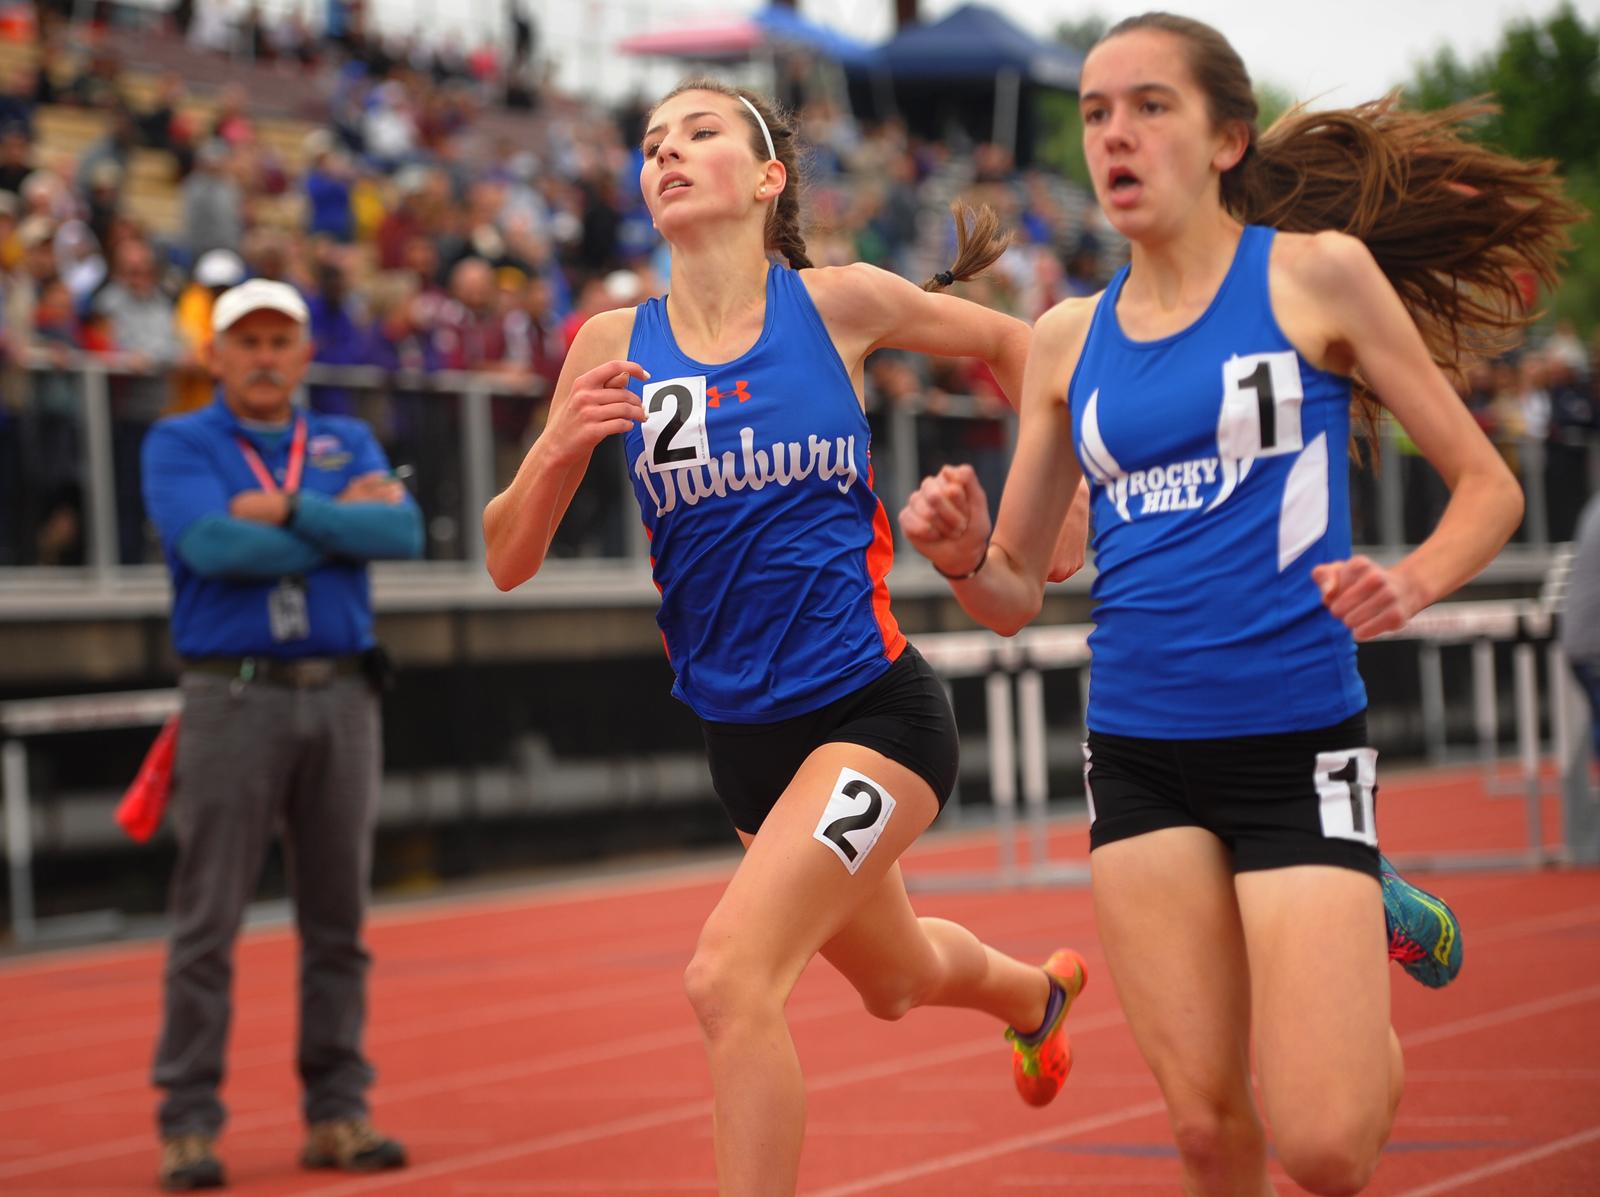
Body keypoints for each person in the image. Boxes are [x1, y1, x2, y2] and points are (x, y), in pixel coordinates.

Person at [898, 14, 1578, 1196]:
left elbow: (1489, 488)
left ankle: (1354, 967)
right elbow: (1013, 595)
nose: (1114, 133)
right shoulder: (1067, 341)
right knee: (1209, 1132)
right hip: (1141, 754)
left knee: (1321, 1145)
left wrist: (1409, 579)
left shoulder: (1312, 276)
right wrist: (962, 555)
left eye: (1148, 106)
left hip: (1295, 747)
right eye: (1096, 111)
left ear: (1225, 138)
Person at [483, 79, 1089, 1196]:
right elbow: (506, 557)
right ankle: (1032, 998)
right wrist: (559, 446)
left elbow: (1025, 344)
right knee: (895, 981)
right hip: (746, 747)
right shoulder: (613, 345)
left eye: (698, 134)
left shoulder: (837, 304)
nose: (665, 152)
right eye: (651, 140)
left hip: (875, 715)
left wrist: (1049, 516)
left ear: (766, 178)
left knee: (729, 977)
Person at [142, 278, 423, 1191]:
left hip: (343, 694)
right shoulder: (181, 441)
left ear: (306, 355)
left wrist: (296, 512)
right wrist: (347, 523)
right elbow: (214, 551)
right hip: (235, 696)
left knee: (338, 921)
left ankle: (338, 1110)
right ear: (216, 355)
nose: (265, 357)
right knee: (208, 920)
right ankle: (189, 1123)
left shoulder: (345, 435)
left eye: (280, 341)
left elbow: (406, 532)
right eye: (247, 341)